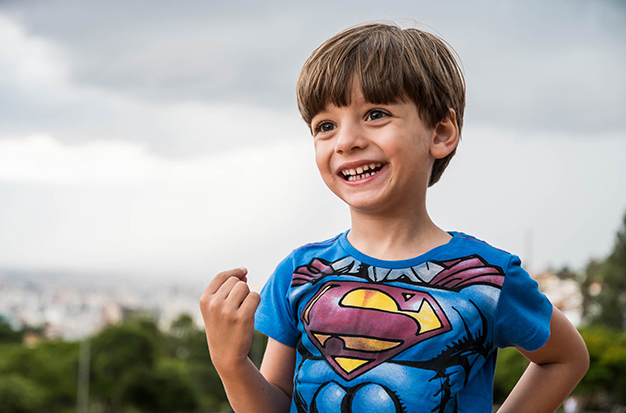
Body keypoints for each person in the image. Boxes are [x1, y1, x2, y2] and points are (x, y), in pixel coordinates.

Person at [200, 22, 589, 413]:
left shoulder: (486, 276)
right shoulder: (299, 273)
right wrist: (230, 363)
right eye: (326, 126)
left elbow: (566, 357)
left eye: (376, 114)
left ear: (440, 133)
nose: (346, 141)